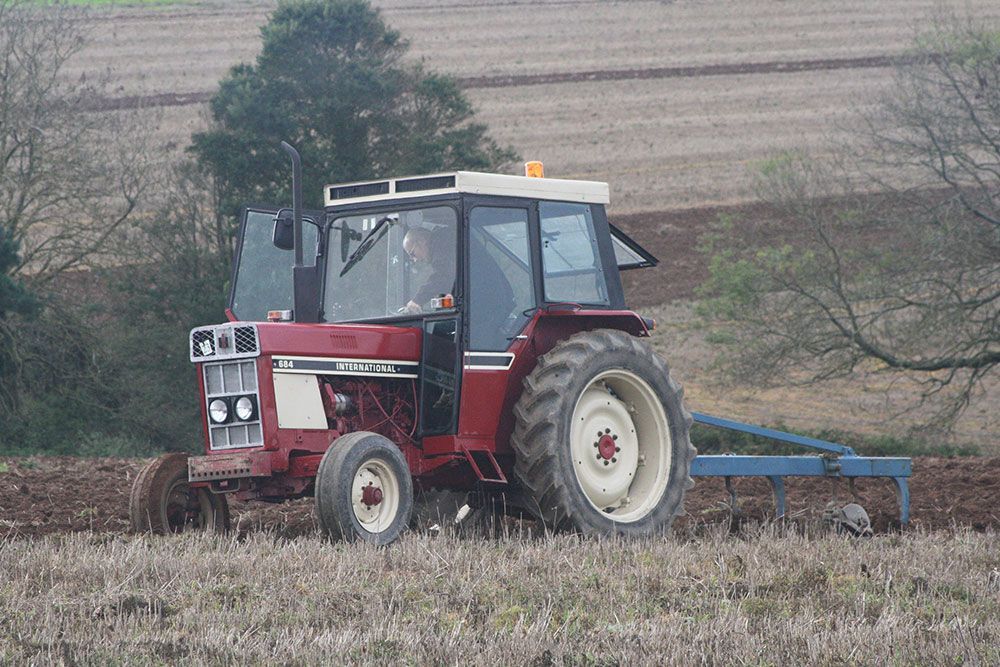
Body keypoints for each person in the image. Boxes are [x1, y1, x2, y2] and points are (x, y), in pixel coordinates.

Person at [401, 227, 454, 314]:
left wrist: (417, 300)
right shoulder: (444, 240)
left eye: (412, 254)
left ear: (421, 241)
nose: (415, 260)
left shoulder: (442, 244)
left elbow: (442, 277)